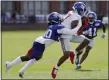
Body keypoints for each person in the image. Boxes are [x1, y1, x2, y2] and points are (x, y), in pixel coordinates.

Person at [5, 12, 76, 78]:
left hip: (40, 42)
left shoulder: (53, 26)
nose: (60, 19)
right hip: (40, 44)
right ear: (56, 20)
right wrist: (78, 25)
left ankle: (22, 71)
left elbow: (61, 22)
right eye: (59, 18)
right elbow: (70, 32)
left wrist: (67, 15)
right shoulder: (59, 27)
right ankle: (10, 65)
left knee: (37, 57)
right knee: (28, 57)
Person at [51, 2, 90, 79]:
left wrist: (80, 27)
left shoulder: (71, 13)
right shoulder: (77, 16)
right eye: (83, 10)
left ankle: (74, 52)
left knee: (86, 41)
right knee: (66, 55)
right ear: (81, 10)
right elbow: (73, 26)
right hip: (65, 36)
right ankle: (56, 67)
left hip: (70, 34)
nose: (84, 11)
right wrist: (81, 27)